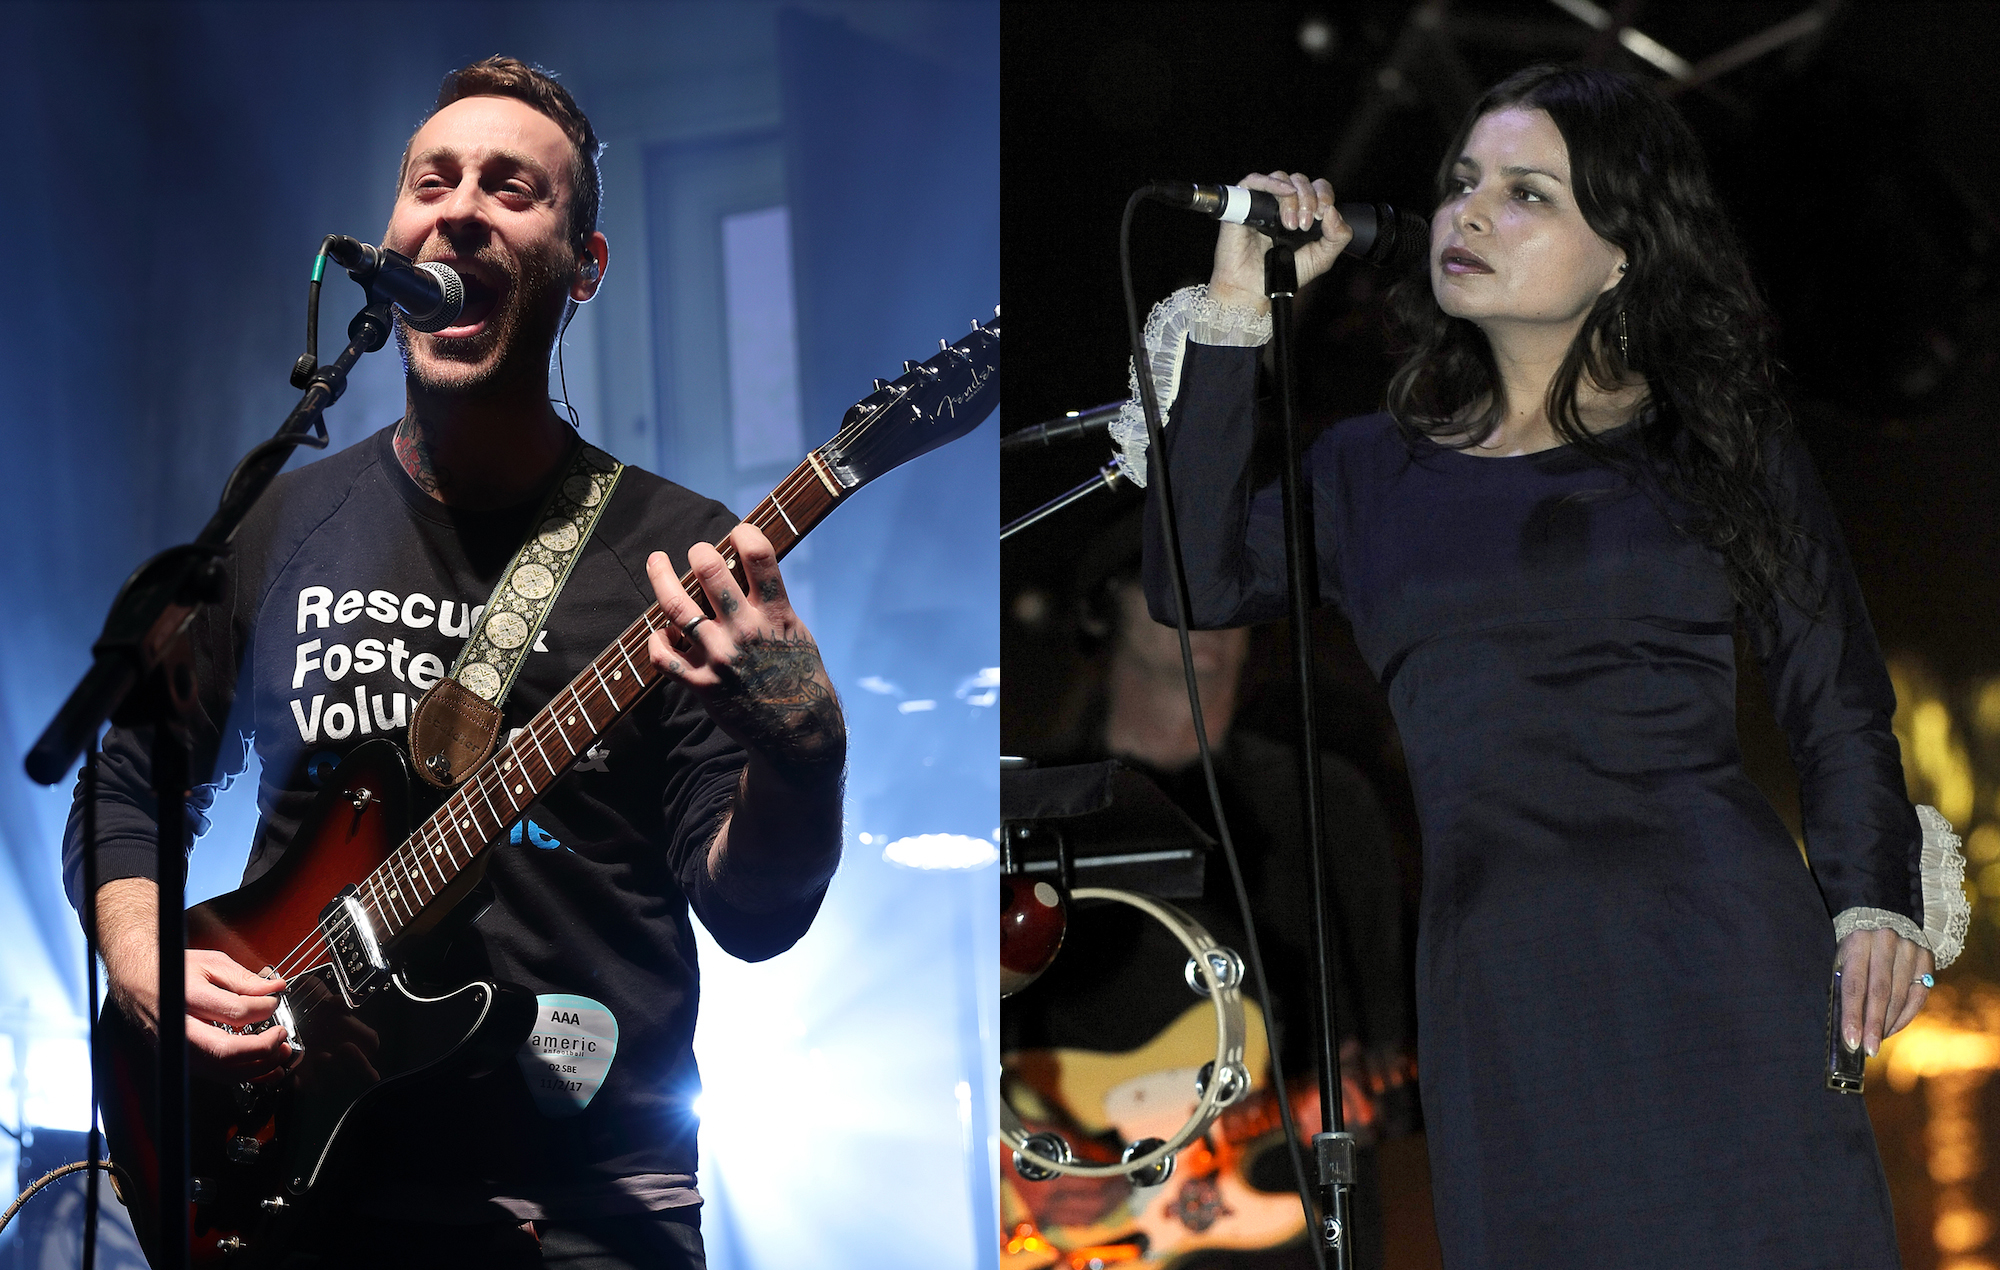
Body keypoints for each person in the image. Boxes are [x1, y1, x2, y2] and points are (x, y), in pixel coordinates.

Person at [1137, 64, 1968, 1268]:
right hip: (1501, 973)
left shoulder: (1707, 446)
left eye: (1526, 193)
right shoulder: (1370, 471)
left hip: (1715, 948)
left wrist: (1870, 897)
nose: (1468, 213)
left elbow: (1831, 696)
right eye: (1462, 183)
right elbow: (1188, 581)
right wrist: (1235, 306)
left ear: (1622, 253)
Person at [62, 57, 843, 1269]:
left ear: (582, 267)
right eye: (435, 178)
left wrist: (804, 749)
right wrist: (141, 953)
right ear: (392, 234)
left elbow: (751, 912)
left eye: (512, 187)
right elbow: (130, 778)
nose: (461, 205)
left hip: (584, 1202)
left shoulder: (671, 555)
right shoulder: (280, 516)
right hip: (295, 1175)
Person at [1002, 517, 1411, 1270]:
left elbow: (1384, 1038)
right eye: (1168, 579)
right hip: (1068, 1235)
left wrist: (1364, 1088)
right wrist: (1011, 1162)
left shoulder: (1326, 802)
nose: (1202, 606)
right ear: (1104, 607)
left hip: (1280, 1235)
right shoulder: (1024, 808)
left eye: (1225, 582)